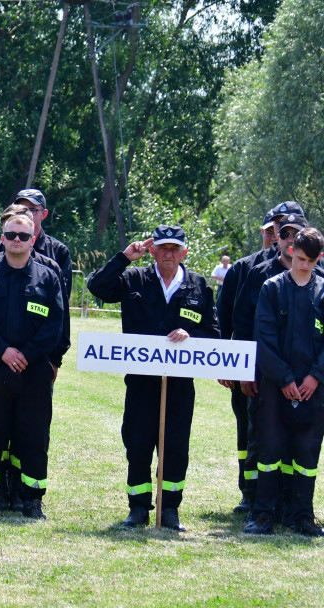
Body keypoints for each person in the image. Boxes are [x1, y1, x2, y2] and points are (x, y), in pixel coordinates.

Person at [87, 225, 220, 531]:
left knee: (175, 446)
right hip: (141, 383)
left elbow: (214, 333)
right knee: (137, 443)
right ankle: (138, 508)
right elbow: (98, 288)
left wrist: (192, 334)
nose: (169, 254)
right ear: (153, 251)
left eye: (175, 249)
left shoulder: (198, 286)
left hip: (179, 385)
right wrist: (124, 258)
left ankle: (170, 509)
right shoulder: (135, 279)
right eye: (163, 248)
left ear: (184, 252)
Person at [0, 211, 63, 519]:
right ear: (2, 238)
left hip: (33, 371)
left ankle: (31, 499)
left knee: (33, 435)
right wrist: (3, 350)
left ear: (33, 240)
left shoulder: (48, 277)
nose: (16, 240)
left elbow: (55, 325)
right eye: (10, 235)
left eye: (22, 235)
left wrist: (27, 354)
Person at [217, 200, 304, 513]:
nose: (279, 236)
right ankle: (250, 492)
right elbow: (231, 322)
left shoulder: (314, 271)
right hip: (254, 371)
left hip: (299, 375)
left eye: (292, 230)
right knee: (251, 432)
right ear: (270, 233)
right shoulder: (248, 270)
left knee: (295, 437)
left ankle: (289, 499)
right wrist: (233, 366)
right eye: (274, 230)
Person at [245, 227, 324, 537]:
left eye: (312, 261)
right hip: (275, 388)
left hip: (314, 389)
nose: (305, 266)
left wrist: (316, 377)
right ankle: (263, 514)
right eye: (300, 259)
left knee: (306, 454)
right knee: (270, 450)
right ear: (291, 252)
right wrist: (284, 378)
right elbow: (263, 338)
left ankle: (302, 515)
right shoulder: (272, 288)